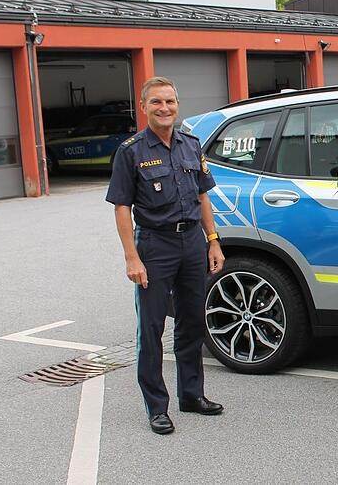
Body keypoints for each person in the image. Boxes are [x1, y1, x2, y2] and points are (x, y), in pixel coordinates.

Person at [106, 76, 226, 435]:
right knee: (152, 329)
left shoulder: (191, 144)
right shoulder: (131, 151)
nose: (164, 108)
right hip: (155, 247)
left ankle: (192, 395)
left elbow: (203, 196)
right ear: (144, 107)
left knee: (192, 323)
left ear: (177, 104)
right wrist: (131, 257)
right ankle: (157, 406)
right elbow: (121, 208)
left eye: (170, 102)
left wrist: (213, 240)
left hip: (192, 243)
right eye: (156, 102)